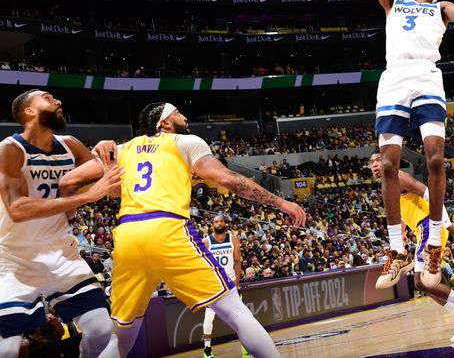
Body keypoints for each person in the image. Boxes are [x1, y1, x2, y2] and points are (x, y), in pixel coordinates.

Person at [307, 0, 454, 289]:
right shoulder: (394, 2)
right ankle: (395, 249)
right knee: (387, 167)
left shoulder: (441, 8)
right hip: (394, 79)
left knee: (436, 159)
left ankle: (434, 243)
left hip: (425, 76)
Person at [59, 102, 306, 357]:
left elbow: (68, 180)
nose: (184, 117)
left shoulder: (123, 149)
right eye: (178, 113)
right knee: (235, 310)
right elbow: (227, 179)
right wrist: (279, 201)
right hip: (167, 229)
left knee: (122, 337)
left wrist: (71, 210)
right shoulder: (184, 142)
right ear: (165, 123)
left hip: (128, 236)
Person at [0, 89, 122, 358]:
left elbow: (106, 178)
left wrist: (107, 151)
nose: (58, 102)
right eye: (48, 97)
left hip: (61, 253)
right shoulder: (10, 149)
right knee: (7, 348)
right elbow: (17, 209)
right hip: (15, 259)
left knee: (101, 330)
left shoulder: (69, 144)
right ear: (29, 112)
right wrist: (86, 196)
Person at [368, 153, 454, 343]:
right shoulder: (387, 186)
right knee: (420, 282)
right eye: (371, 162)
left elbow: (432, 193)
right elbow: (400, 214)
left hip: (430, 226)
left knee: (425, 282)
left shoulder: (399, 177)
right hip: (420, 230)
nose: (374, 164)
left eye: (378, 160)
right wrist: (401, 232)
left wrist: (447, 223)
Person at [201, 214, 243, 358]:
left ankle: (245, 345)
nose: (219, 223)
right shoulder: (206, 242)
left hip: (231, 285)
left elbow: (237, 261)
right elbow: (203, 266)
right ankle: (207, 349)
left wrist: (237, 282)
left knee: (241, 318)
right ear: (212, 225)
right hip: (214, 286)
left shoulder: (233, 239)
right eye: (216, 221)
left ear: (225, 224)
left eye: (221, 221)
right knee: (208, 319)